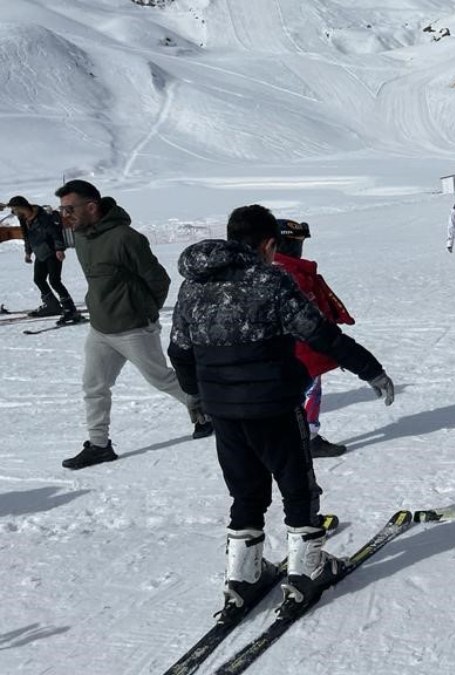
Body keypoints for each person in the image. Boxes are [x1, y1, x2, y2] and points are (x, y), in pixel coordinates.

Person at [168, 204, 395, 618]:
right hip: (272, 403)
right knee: (297, 485)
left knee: (245, 489)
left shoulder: (193, 284)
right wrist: (370, 369)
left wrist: (198, 396)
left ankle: (243, 575)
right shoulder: (269, 280)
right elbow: (319, 333)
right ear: (269, 244)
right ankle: (306, 569)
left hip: (223, 410)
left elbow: (179, 350)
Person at [54, 180, 211, 470]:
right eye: (62, 209)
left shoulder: (126, 238)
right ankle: (99, 446)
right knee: (94, 386)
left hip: (134, 328)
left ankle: (208, 415)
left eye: (70, 208)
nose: (66, 215)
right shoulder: (82, 237)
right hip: (100, 328)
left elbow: (158, 280)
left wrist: (143, 312)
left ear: (91, 206)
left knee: (162, 379)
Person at [272, 218, 356, 458]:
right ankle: (308, 438)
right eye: (295, 243)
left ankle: (297, 437)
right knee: (308, 393)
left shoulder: (279, 270)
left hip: (290, 350)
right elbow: (308, 315)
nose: (299, 248)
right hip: (303, 348)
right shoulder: (290, 274)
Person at [6, 196, 81, 323]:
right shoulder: (23, 218)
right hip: (40, 253)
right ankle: (51, 305)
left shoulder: (42, 217)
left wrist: (59, 249)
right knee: (39, 279)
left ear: (21, 207)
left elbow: (55, 233)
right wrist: (28, 252)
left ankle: (70, 310)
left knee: (54, 281)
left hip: (52, 252)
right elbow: (26, 236)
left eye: (15, 209)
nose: (14, 212)